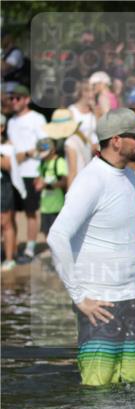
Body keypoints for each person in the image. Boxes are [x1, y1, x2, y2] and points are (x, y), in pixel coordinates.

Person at [47, 109, 135, 386]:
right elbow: (57, 236)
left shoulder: (130, 177)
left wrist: (134, 288)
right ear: (116, 140)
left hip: (129, 299)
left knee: (129, 387)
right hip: (99, 303)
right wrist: (79, 298)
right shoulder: (91, 180)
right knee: (98, 394)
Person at [7, 85, 47, 261]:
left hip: (32, 172)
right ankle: (13, 248)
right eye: (11, 98)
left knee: (31, 212)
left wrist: (27, 154)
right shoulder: (11, 121)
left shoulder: (37, 118)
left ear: (27, 99)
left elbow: (46, 144)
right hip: (13, 173)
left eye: (17, 98)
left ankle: (30, 249)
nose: (14, 101)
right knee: (11, 213)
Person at [1, 113, 26, 271]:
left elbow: (7, 165)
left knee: (6, 222)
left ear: (2, 128)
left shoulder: (7, 148)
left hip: (3, 187)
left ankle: (9, 258)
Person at [35, 136, 68, 239]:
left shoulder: (59, 161)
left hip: (58, 206)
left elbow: (64, 181)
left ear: (53, 150)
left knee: (57, 236)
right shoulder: (43, 163)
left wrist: (48, 185)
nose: (43, 156)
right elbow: (39, 179)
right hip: (45, 207)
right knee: (47, 235)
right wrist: (37, 183)